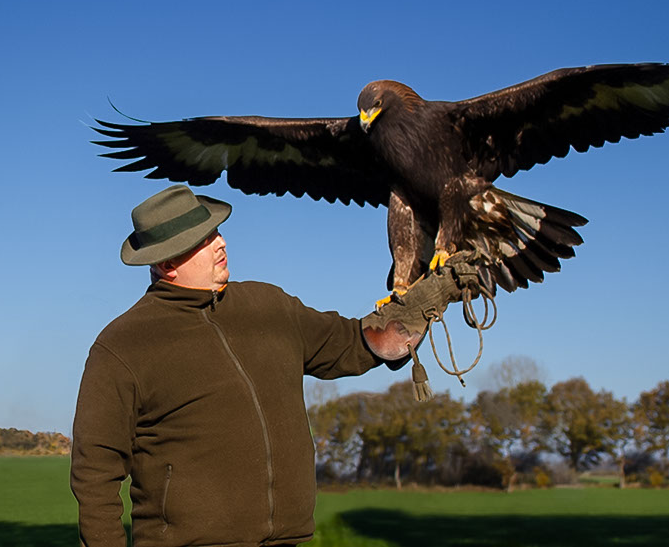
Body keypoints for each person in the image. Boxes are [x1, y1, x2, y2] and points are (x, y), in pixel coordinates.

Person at [71, 185, 465, 547]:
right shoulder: (123, 346)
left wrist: (420, 307)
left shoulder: (268, 306)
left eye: (216, 232)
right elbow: (95, 474)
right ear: (167, 262)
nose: (220, 243)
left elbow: (353, 342)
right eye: (204, 240)